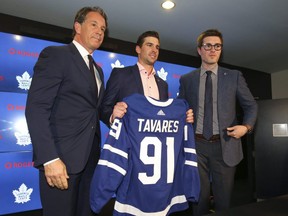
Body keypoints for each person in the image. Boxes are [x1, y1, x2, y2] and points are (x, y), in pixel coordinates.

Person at [25, 6, 107, 216]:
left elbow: (93, 111)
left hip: (90, 162)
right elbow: (37, 108)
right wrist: (49, 159)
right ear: (77, 26)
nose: (100, 31)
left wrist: (115, 112)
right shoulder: (55, 55)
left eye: (103, 29)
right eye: (94, 24)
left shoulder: (98, 70)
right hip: (61, 162)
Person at [178, 29, 257, 215]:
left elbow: (251, 106)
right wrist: (184, 115)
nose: (213, 50)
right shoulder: (187, 79)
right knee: (198, 200)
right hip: (196, 146)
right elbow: (181, 107)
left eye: (217, 46)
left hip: (225, 146)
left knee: (224, 202)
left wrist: (245, 128)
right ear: (199, 50)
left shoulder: (234, 76)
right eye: (208, 46)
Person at [100, 30, 193, 127]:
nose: (154, 50)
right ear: (138, 49)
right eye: (149, 45)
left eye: (157, 47)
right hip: (127, 139)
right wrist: (112, 117)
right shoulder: (121, 74)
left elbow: (163, 115)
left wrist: (182, 116)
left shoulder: (163, 85)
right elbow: (104, 108)